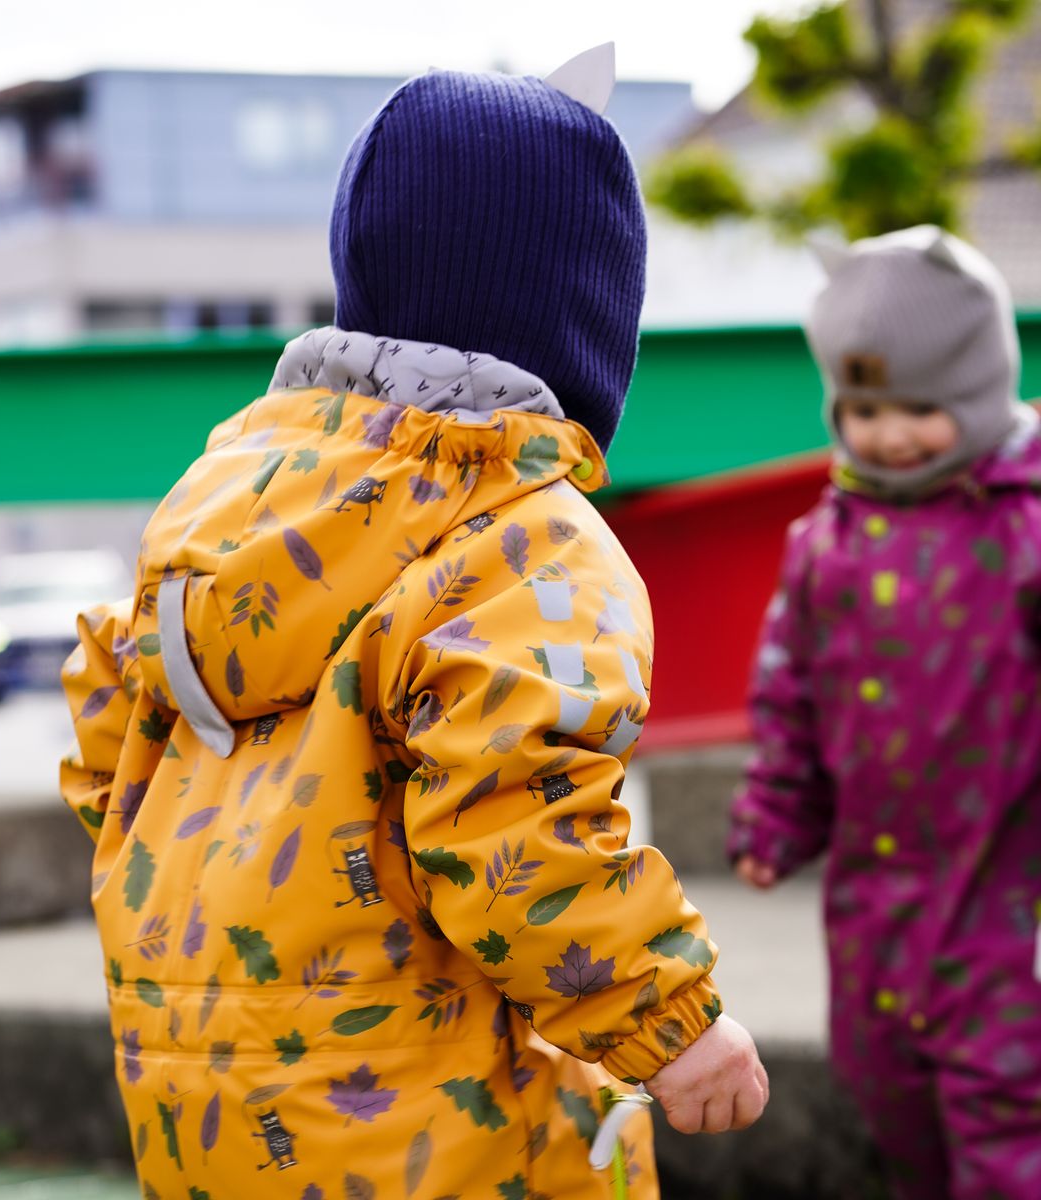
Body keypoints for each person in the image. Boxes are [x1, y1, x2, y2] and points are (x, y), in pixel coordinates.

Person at [62, 46, 767, 1200]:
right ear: (586, 312)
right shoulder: (523, 541)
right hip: (441, 1119)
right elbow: (514, 823)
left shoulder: (225, 495)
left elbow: (111, 738)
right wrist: (674, 1026)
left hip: (204, 1105)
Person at [730, 224, 1041, 1199]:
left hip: (1003, 881)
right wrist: (777, 813)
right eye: (861, 407)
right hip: (872, 897)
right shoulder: (826, 542)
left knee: (1007, 1101)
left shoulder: (1024, 525)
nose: (888, 432)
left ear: (981, 391)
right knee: (885, 1091)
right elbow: (790, 689)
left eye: (920, 407)